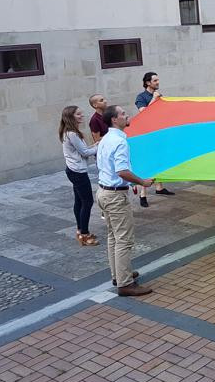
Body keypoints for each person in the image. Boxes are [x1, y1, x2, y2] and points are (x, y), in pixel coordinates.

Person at [96, 105, 154, 296]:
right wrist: (141, 181)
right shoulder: (120, 142)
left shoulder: (106, 139)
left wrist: (129, 183)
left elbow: (111, 168)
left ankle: (119, 274)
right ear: (114, 119)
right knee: (124, 240)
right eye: (122, 114)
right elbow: (121, 171)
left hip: (104, 192)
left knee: (113, 237)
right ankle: (125, 283)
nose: (127, 115)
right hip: (114, 196)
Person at [59, 106, 98, 246]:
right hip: (77, 172)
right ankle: (85, 234)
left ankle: (80, 230)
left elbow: (84, 150)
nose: (81, 115)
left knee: (79, 201)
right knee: (87, 202)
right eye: (78, 114)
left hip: (74, 170)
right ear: (71, 116)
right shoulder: (72, 134)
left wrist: (95, 145)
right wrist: (100, 146)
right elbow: (85, 153)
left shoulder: (69, 132)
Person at [134, 71, 174, 206]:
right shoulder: (141, 97)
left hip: (159, 133)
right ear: (148, 83)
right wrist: (154, 99)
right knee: (148, 163)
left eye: (158, 80)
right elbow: (143, 113)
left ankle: (159, 187)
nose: (158, 82)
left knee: (159, 160)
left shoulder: (159, 96)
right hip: (147, 135)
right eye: (155, 81)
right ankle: (142, 195)